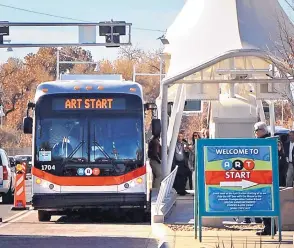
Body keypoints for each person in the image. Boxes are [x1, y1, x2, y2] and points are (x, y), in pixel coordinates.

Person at [252, 122, 276, 236]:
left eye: (256, 131)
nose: (255, 133)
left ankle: (270, 227)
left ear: (262, 130)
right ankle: (268, 227)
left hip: (266, 177)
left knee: (266, 203)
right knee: (264, 203)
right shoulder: (265, 141)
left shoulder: (268, 141)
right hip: (262, 176)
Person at [172, 131, 190, 195]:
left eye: (181, 136)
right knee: (177, 177)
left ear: (182, 137)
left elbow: (187, 153)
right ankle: (177, 190)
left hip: (183, 162)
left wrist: (187, 150)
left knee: (183, 177)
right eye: (178, 136)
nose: (180, 138)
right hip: (176, 162)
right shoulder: (173, 144)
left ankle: (182, 190)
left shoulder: (184, 144)